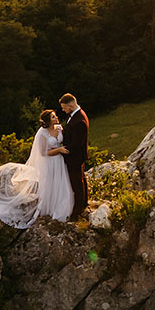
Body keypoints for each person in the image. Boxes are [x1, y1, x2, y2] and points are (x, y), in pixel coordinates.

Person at [58, 92, 89, 220]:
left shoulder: (80, 120)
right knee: (81, 180)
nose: (63, 110)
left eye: (64, 107)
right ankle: (84, 203)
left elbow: (76, 144)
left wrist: (60, 151)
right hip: (75, 156)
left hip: (75, 157)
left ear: (70, 105)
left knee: (77, 184)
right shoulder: (74, 116)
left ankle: (77, 211)